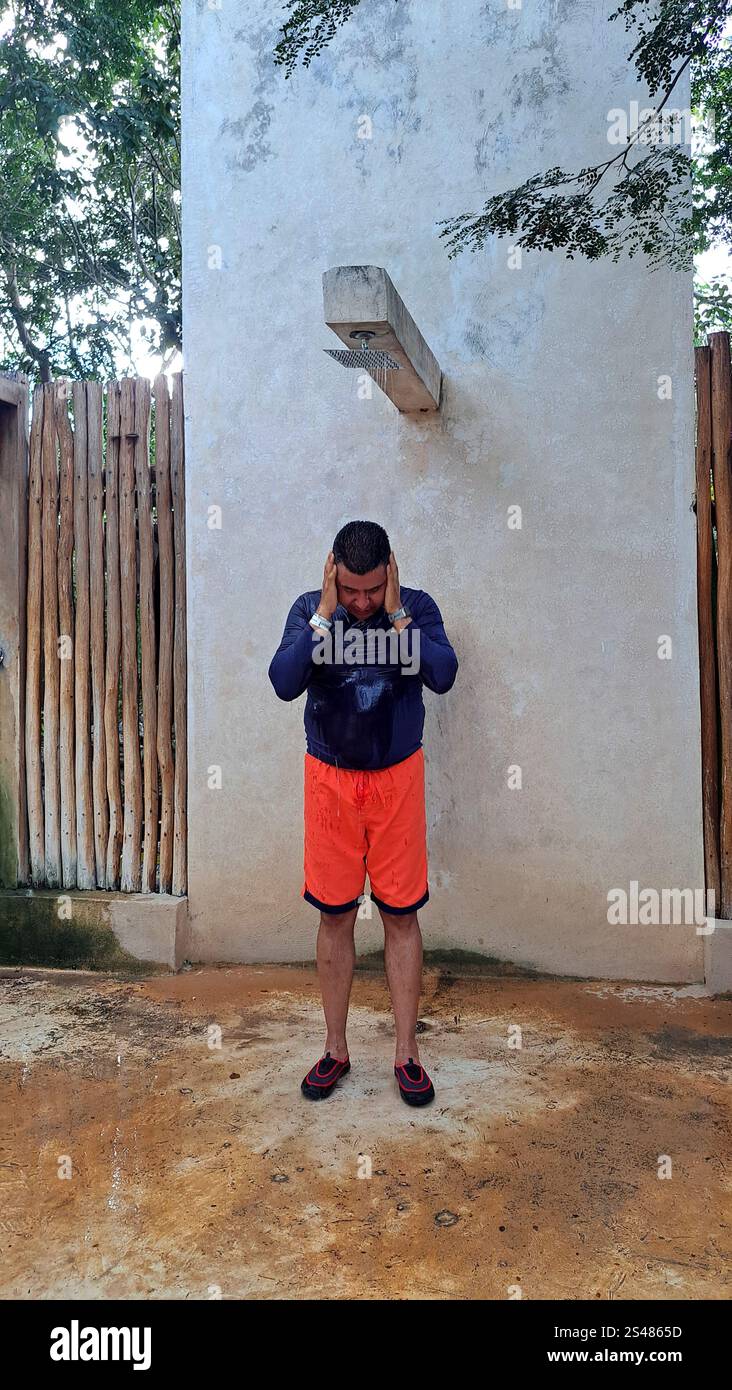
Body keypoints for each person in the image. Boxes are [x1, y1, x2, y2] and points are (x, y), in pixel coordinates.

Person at [268, 520, 458, 1107]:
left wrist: (397, 615)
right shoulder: (311, 611)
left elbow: (444, 675)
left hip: (397, 779)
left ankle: (407, 1053)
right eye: (352, 589)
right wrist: (326, 615)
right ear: (332, 573)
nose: (362, 601)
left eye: (372, 589)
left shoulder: (415, 609)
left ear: (390, 573)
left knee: (401, 917)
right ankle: (335, 1049)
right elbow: (283, 680)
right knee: (335, 917)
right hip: (331, 781)